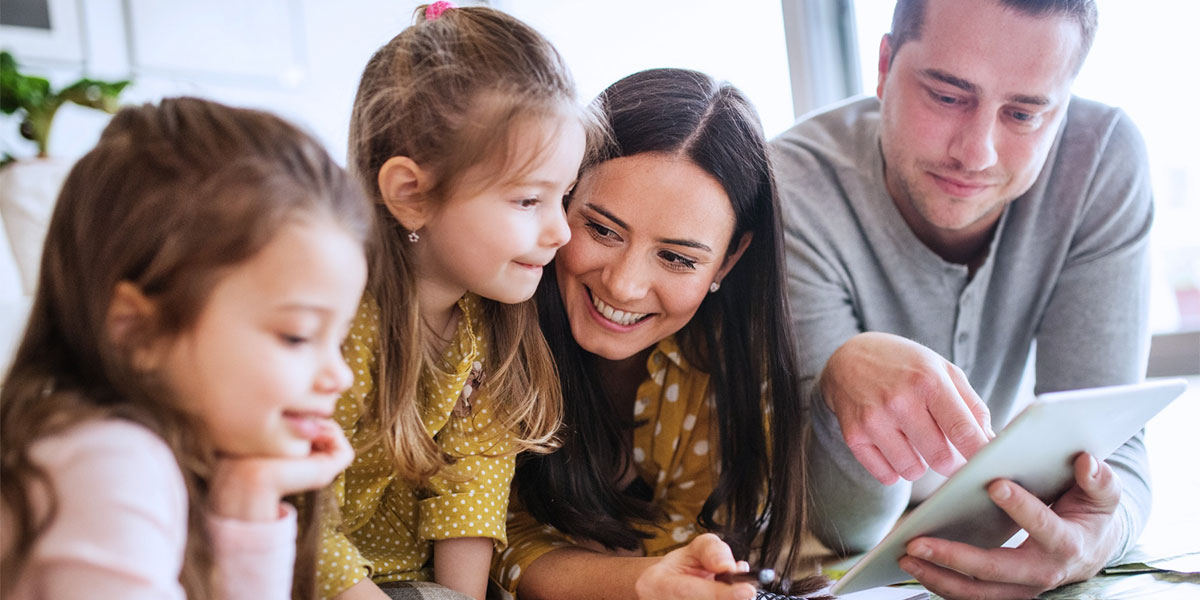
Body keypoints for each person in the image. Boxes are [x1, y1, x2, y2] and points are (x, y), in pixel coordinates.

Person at [771, 0, 1152, 597]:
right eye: (947, 97)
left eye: (1024, 114)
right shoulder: (788, 190)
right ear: (884, 64)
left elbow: (1113, 446)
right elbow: (836, 523)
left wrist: (1099, 535)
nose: (977, 154)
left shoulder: (1102, 160)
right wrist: (838, 384)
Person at [0, 97, 368, 599]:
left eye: (341, 339)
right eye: (297, 336)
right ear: (136, 330)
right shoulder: (109, 465)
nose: (340, 375)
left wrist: (249, 496)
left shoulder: (157, 454)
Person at [496, 68, 824, 600]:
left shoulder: (735, 362)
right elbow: (491, 541)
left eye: (675, 258)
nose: (623, 287)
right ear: (562, 197)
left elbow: (700, 550)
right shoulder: (493, 328)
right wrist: (646, 582)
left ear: (729, 259)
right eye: (602, 229)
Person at [316, 3, 592, 600]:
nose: (561, 232)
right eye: (527, 201)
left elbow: (476, 479)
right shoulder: (334, 325)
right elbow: (296, 516)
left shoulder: (488, 317)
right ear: (411, 196)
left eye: (563, 196)